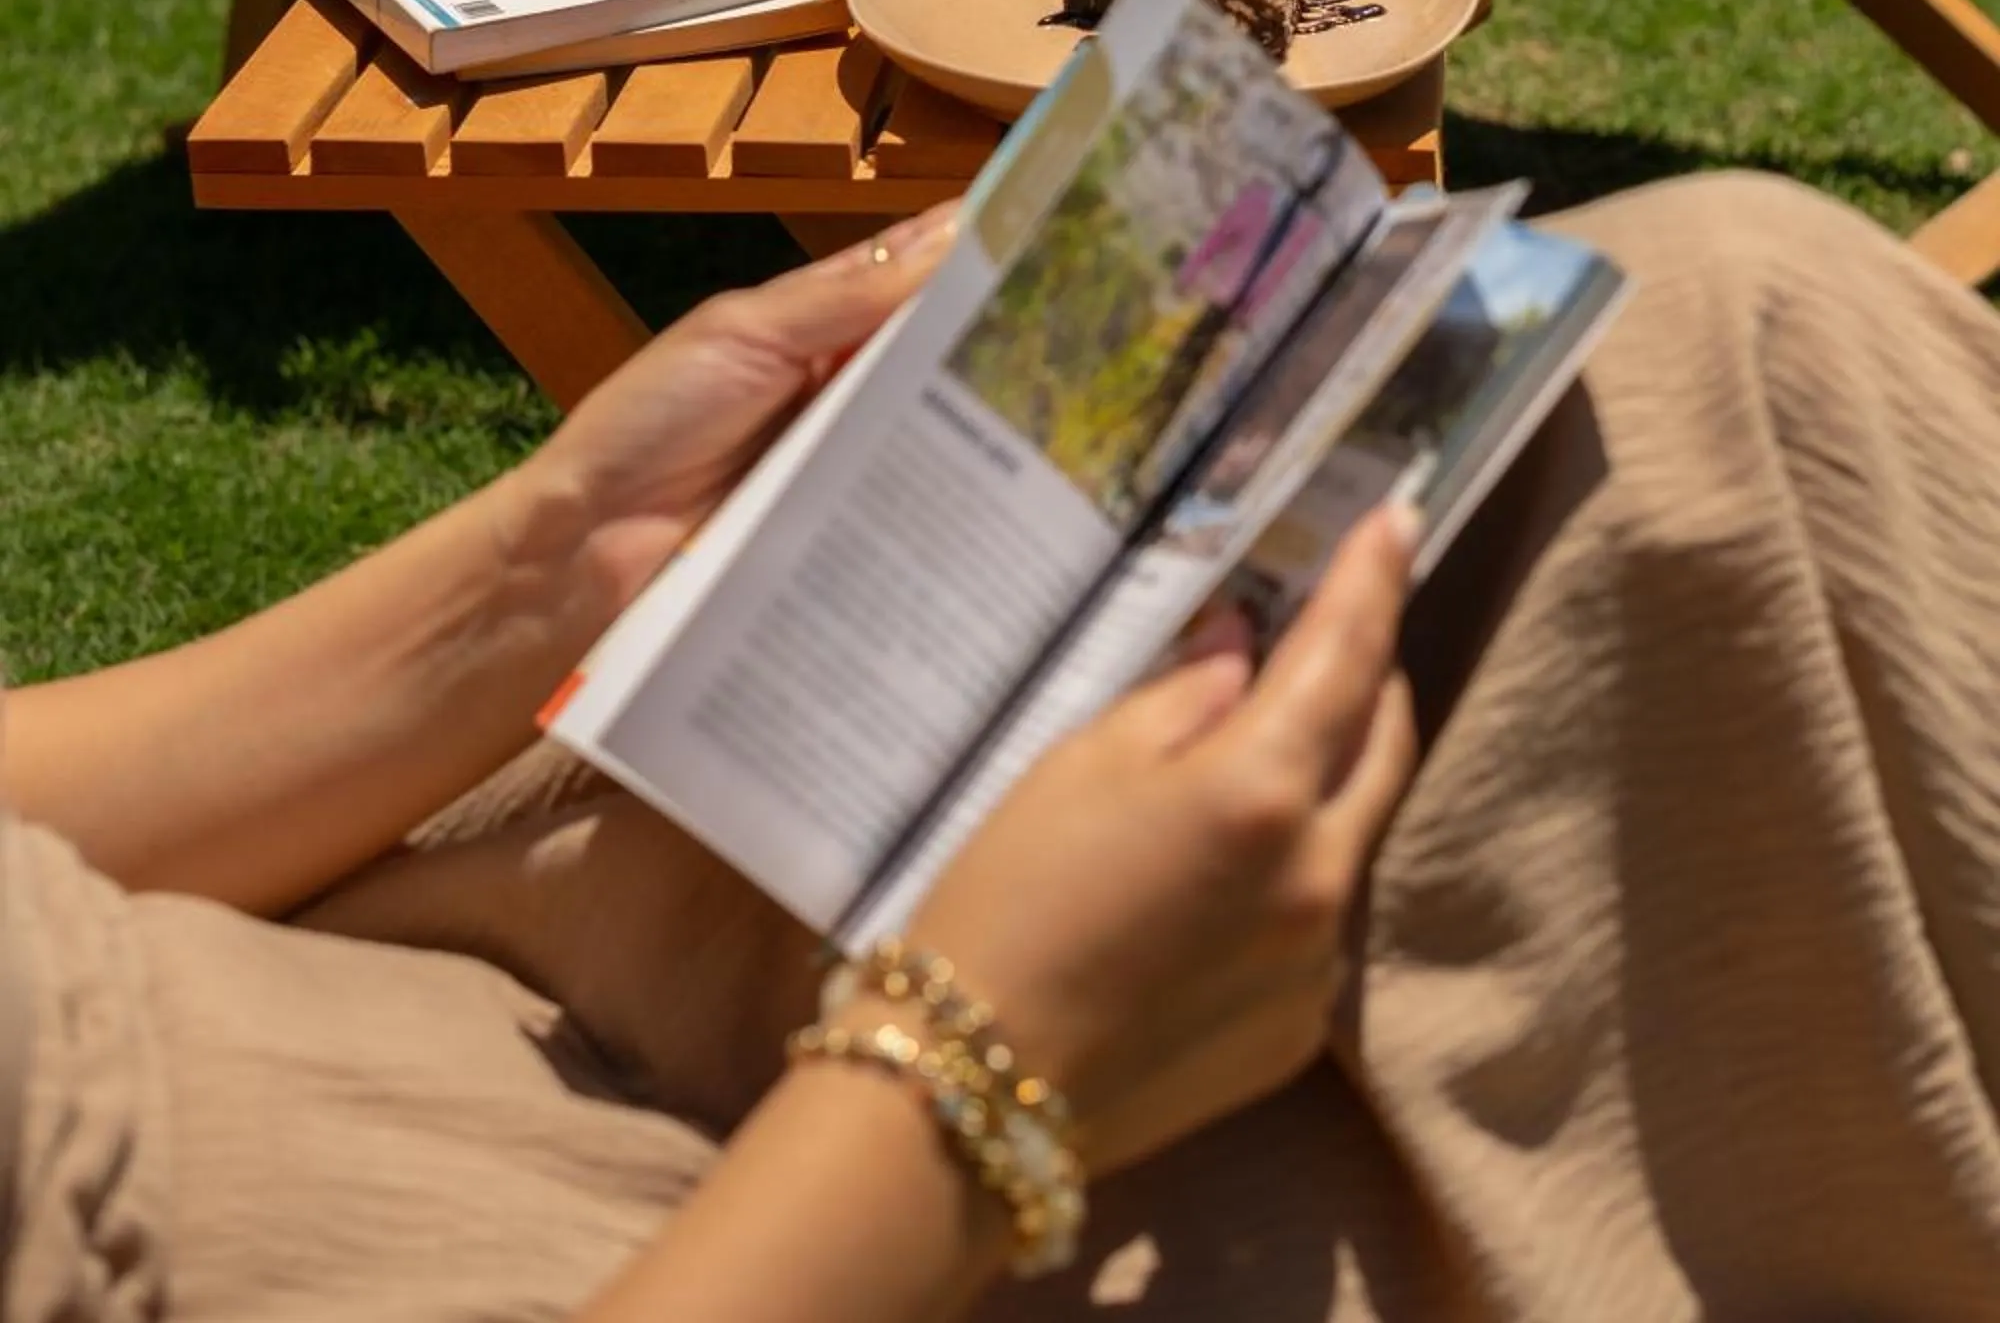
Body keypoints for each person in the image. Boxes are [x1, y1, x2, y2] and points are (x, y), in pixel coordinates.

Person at [5, 169, 1999, 1322]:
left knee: (1725, 352)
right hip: (682, 1241)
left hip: (347, 928)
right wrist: (968, 1081)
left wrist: (556, 561)